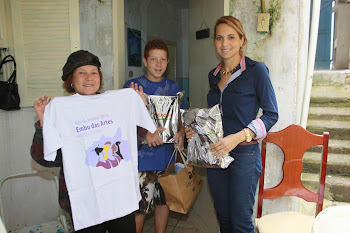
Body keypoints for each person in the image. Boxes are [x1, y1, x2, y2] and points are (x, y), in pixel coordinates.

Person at [31, 50, 154, 233]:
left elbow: (131, 143)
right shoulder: (62, 110)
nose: (89, 77)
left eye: (94, 72)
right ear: (71, 80)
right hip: (84, 200)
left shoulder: (115, 105)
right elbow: (44, 157)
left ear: (100, 78)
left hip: (117, 194)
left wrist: (139, 106)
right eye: (81, 72)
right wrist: (44, 122)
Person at [186, 16, 278, 233]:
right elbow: (217, 117)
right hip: (217, 156)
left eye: (231, 37)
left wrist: (239, 136)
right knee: (224, 220)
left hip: (244, 155)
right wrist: (197, 132)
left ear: (242, 40)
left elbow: (271, 114)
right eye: (219, 38)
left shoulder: (256, 71)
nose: (224, 44)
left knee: (240, 223)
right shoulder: (214, 75)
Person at [123, 39, 185, 233]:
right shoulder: (131, 86)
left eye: (163, 59)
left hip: (167, 158)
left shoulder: (174, 87)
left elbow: (179, 119)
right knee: (139, 211)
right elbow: (122, 123)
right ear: (145, 60)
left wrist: (182, 134)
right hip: (142, 160)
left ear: (168, 62)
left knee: (163, 203)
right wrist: (146, 132)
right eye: (153, 59)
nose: (158, 64)